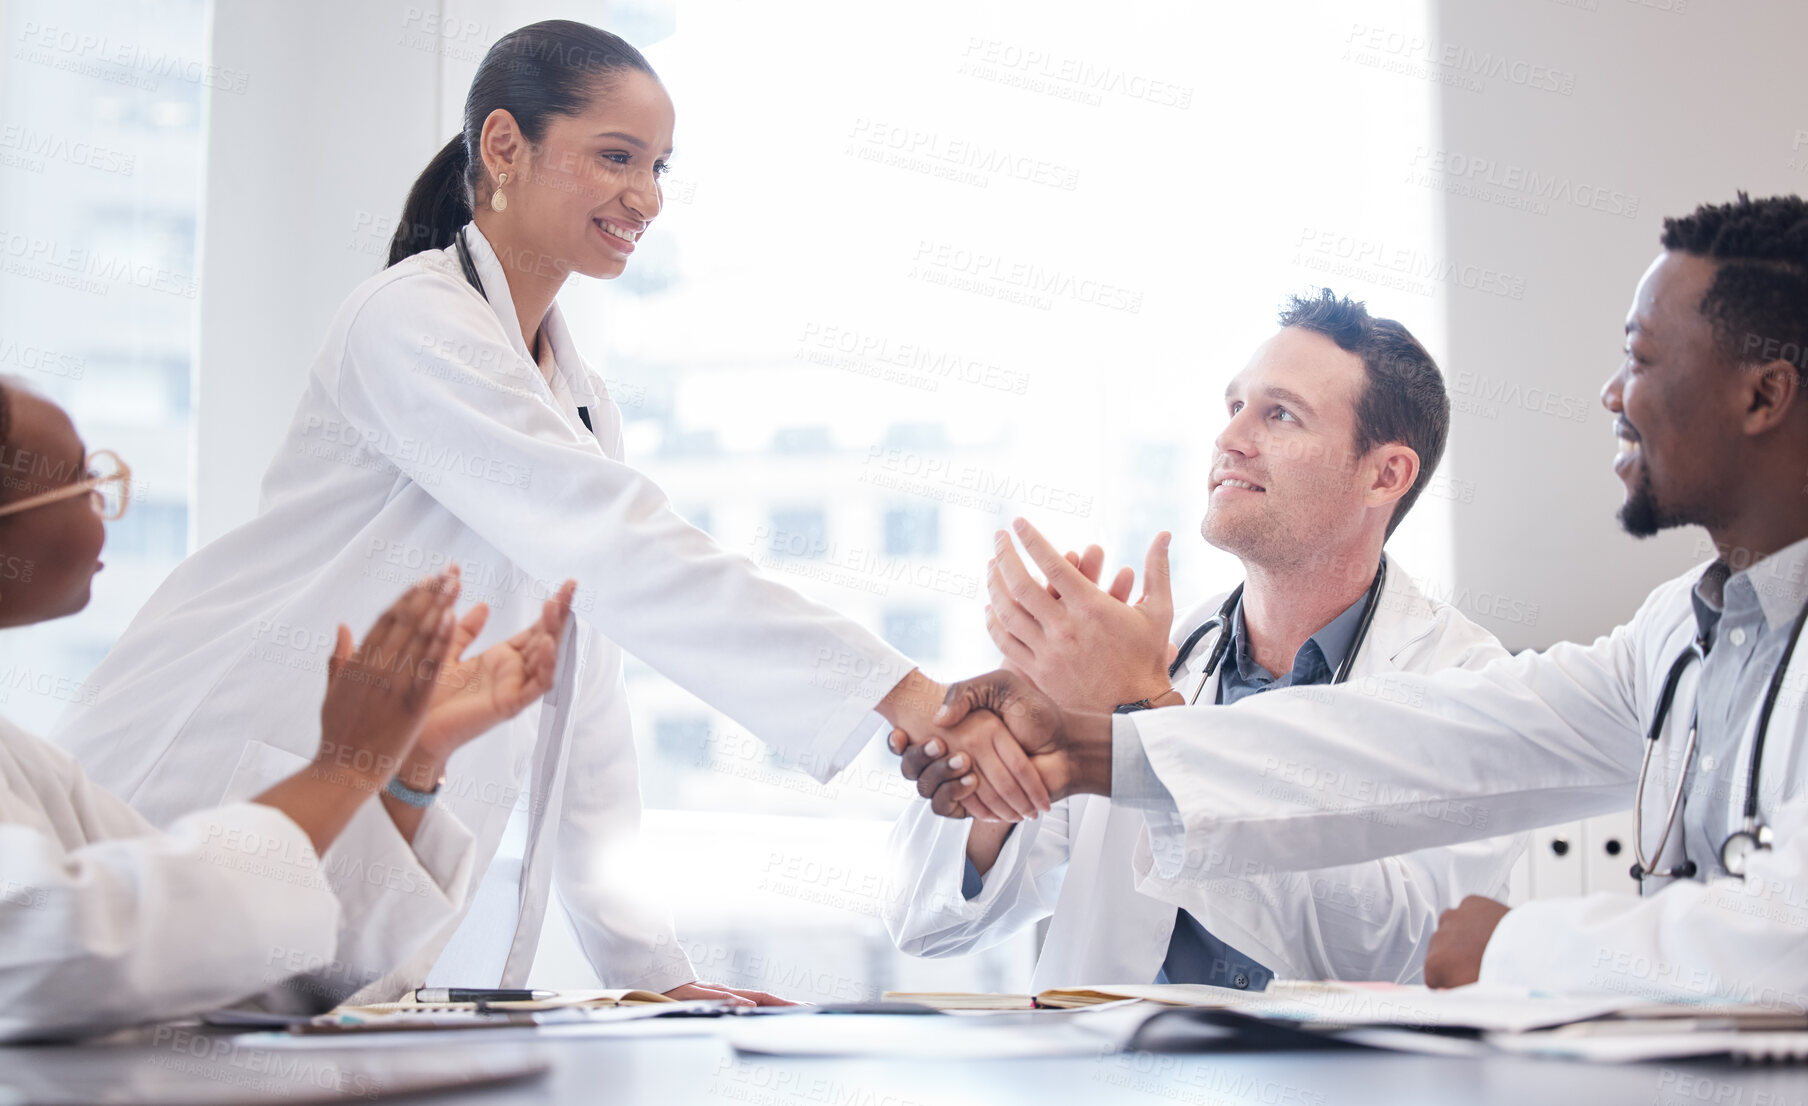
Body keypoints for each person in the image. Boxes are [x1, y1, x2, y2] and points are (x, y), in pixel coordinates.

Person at [52, 20, 1039, 1007]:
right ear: (502, 146)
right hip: (196, 777)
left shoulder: (575, 395)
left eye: (657, 166)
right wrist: (899, 691)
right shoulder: (408, 321)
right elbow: (615, 541)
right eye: (614, 157)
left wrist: (653, 976)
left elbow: (585, 710)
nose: (644, 195)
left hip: (344, 851)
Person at [908, 194, 1808, 1007]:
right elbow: (1419, 744)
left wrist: (1516, 949)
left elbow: (1785, 943)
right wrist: (1078, 734)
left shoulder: (1451, 655)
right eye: (1235, 405)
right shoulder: (1676, 633)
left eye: (1640, 358)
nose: (1612, 394)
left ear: (1765, 395)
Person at [886, 293, 1525, 989]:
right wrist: (1009, 742)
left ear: (1385, 475)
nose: (1231, 438)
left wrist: (1142, 711)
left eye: (1279, 414)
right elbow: (930, 922)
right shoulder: (1161, 652)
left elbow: (1403, 949)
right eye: (1234, 407)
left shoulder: (1469, 685)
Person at [0, 378, 570, 1040]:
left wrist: (404, 769)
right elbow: (46, 960)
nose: (104, 506)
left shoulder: (26, 766)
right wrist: (337, 773)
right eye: (78, 480)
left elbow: (252, 969)